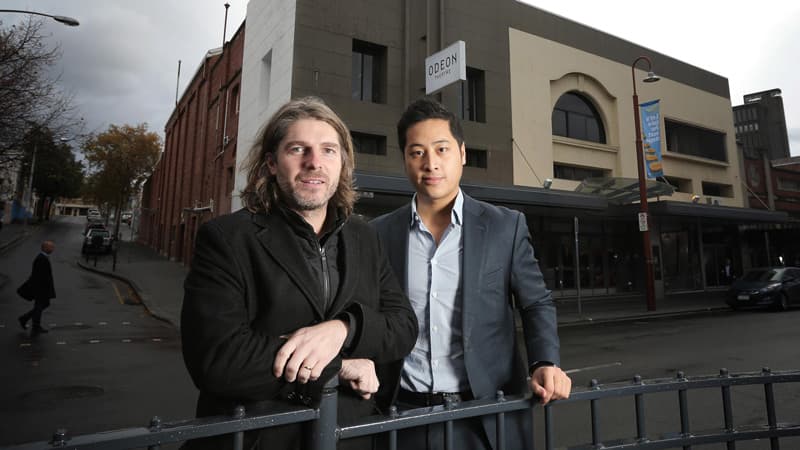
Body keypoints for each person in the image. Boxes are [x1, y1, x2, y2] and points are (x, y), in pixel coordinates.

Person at [180, 97, 418, 450]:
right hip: (261, 441)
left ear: (342, 164)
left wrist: (342, 329)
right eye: (298, 149)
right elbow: (219, 359)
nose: (314, 163)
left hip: (349, 438)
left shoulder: (365, 236)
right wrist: (339, 367)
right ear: (272, 163)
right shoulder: (227, 238)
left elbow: (402, 326)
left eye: (328, 150)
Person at [371, 97, 572, 450]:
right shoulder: (378, 234)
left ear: (462, 153)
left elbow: (536, 302)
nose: (430, 163)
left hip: (485, 414)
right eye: (417, 152)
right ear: (405, 159)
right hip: (402, 414)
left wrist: (546, 361)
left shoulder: (504, 227)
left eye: (442, 149)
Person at [18, 240, 56, 335]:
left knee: (43, 305)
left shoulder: (43, 257)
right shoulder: (41, 259)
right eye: (51, 247)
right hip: (41, 289)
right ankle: (35, 325)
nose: (53, 249)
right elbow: (39, 276)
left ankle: (25, 319)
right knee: (40, 306)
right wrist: (44, 289)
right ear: (45, 248)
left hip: (41, 288)